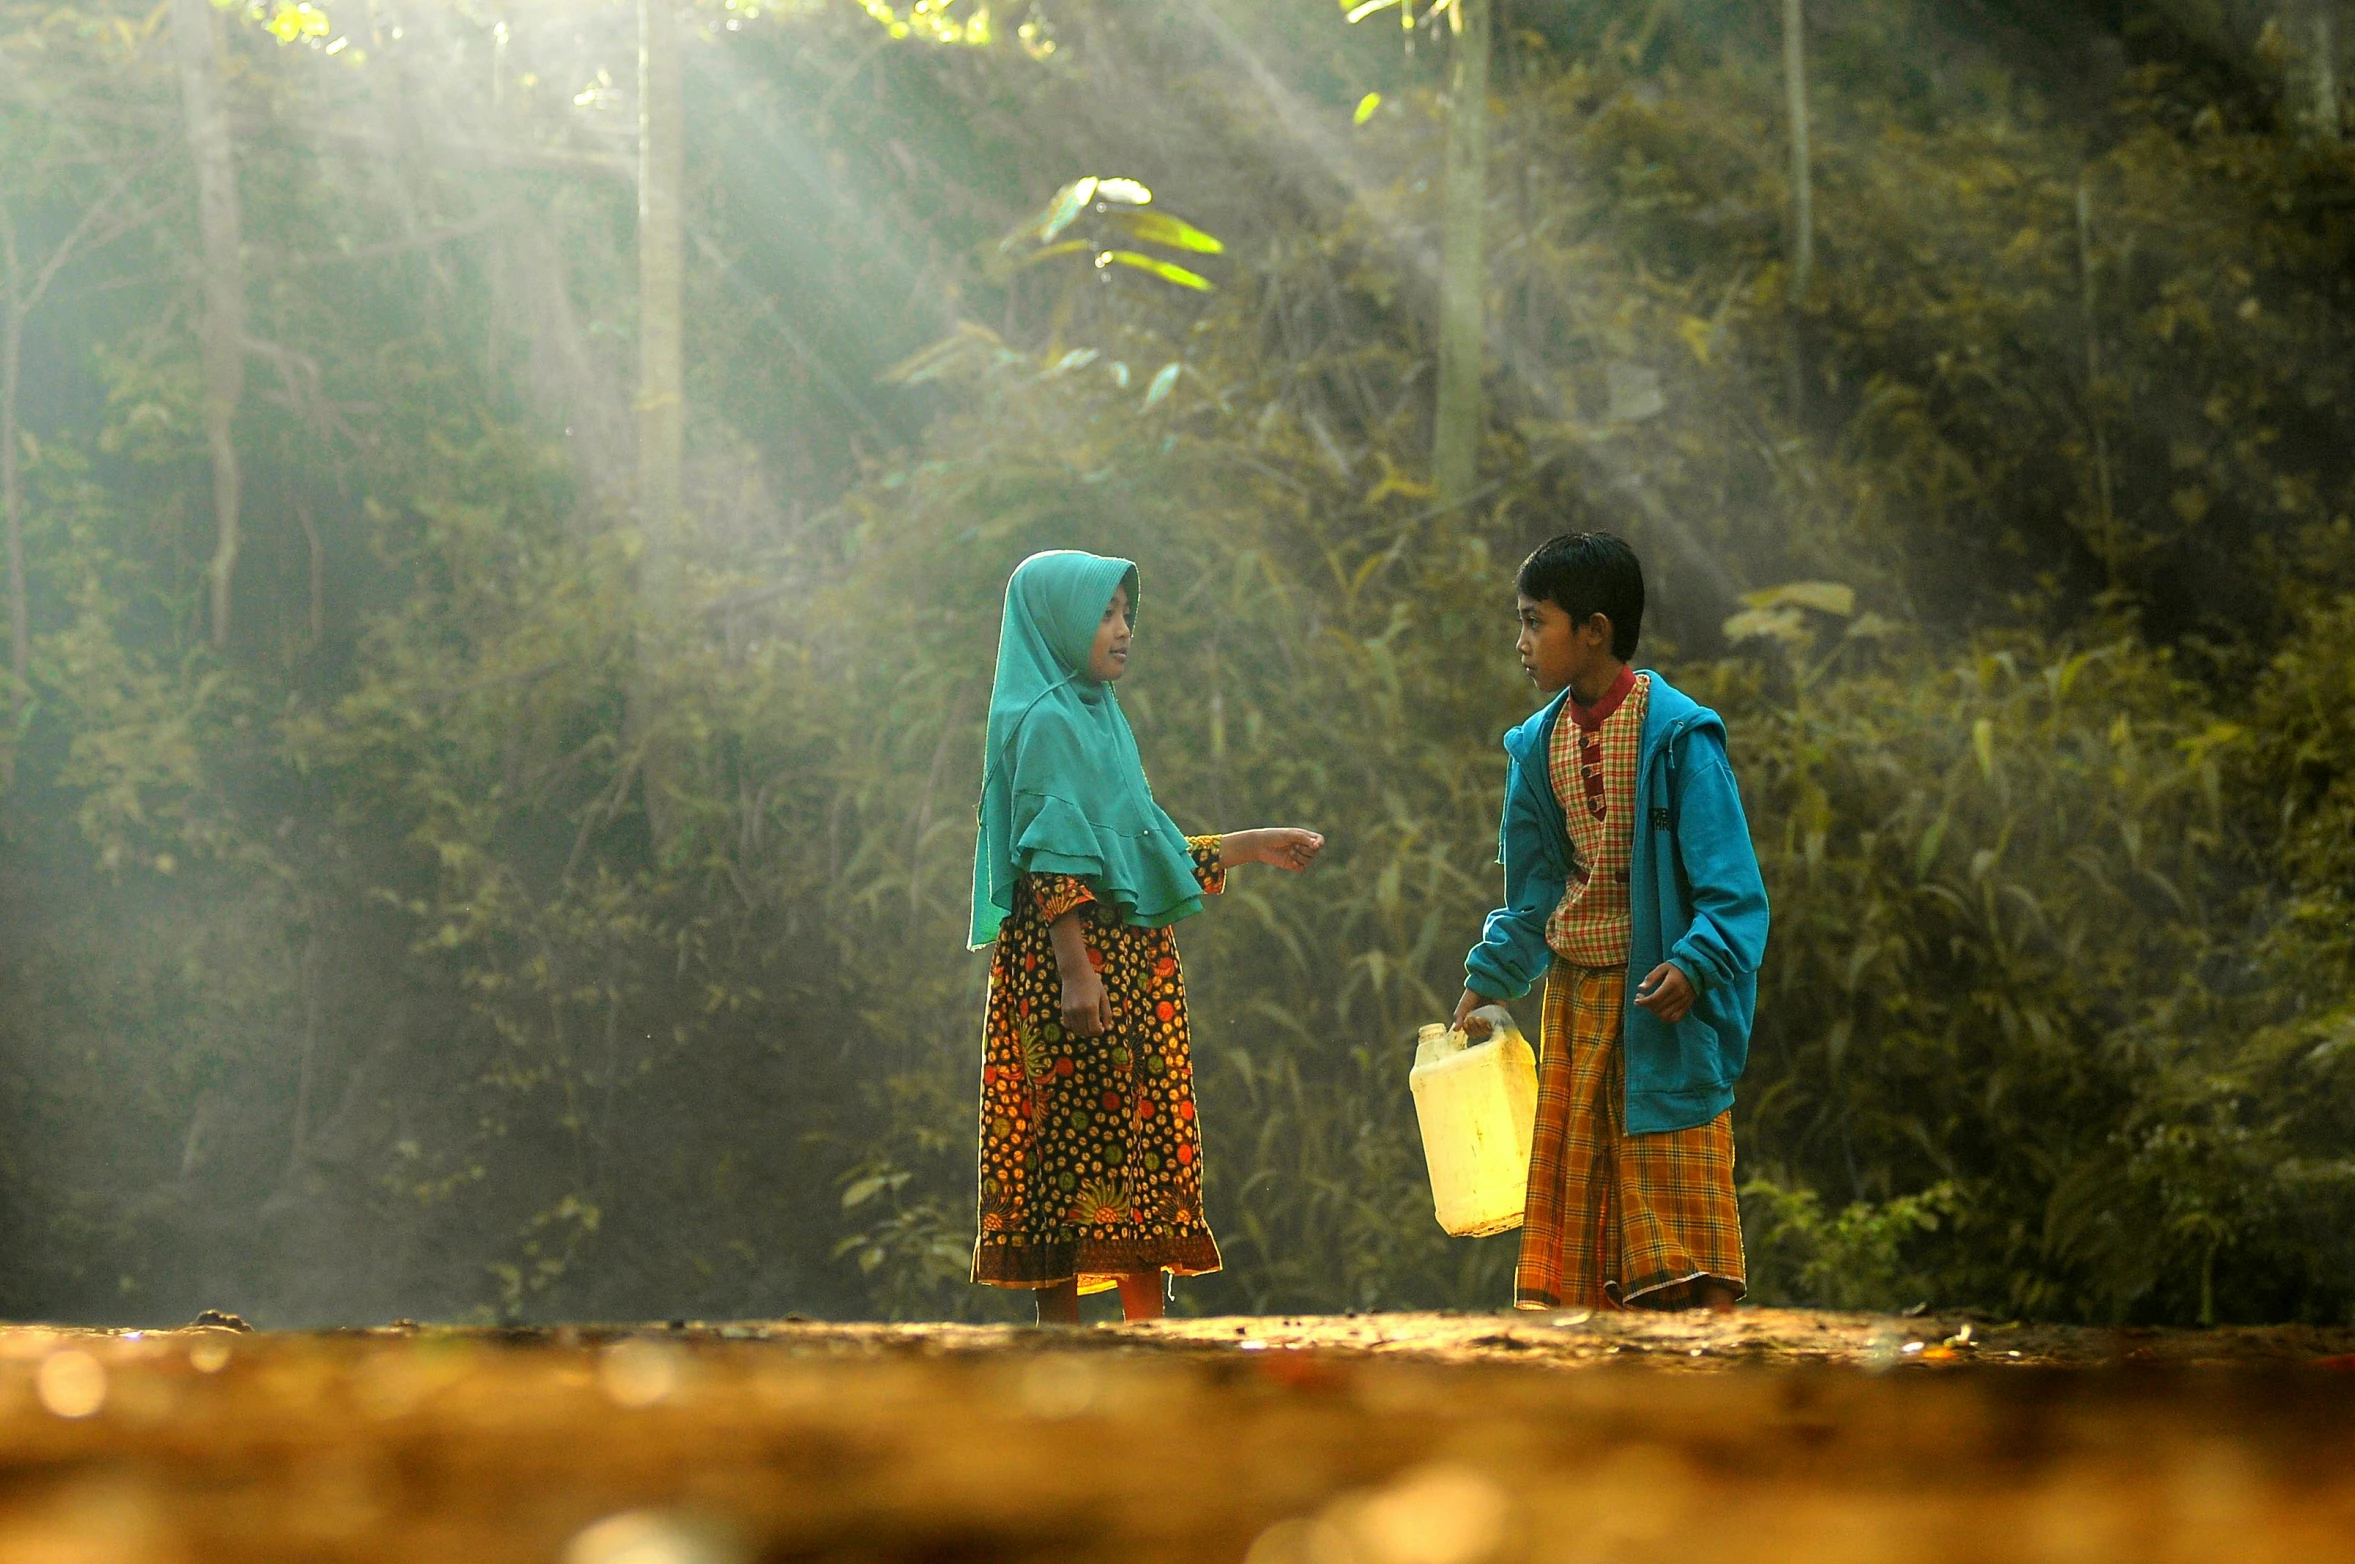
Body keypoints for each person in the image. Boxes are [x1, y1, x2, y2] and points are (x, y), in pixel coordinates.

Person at [969, 549, 1324, 1324]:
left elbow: (1137, 850)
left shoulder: (1100, 717)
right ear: (1057, 622)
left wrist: (1250, 844)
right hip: (1074, 973)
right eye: (1104, 613)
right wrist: (1074, 972)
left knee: (1138, 1143)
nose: (1124, 629)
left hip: (1128, 967)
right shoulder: (1044, 721)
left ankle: (1146, 1338)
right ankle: (1061, 1346)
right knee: (1063, 1149)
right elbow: (1051, 857)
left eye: (1126, 612)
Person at [1451, 532, 1769, 1313]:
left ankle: (1706, 1395)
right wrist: (1485, 982)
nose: (1521, 644)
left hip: (1661, 1010)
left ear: (1592, 630)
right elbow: (1531, 895)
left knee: (1680, 1221)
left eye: (1535, 623)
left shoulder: (1679, 738)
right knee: (1583, 1229)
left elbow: (1733, 892)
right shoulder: (1535, 748)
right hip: (1573, 1009)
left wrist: (1693, 964)